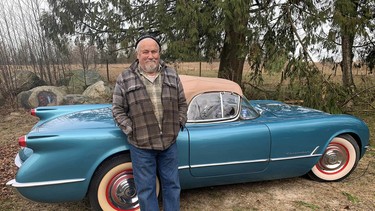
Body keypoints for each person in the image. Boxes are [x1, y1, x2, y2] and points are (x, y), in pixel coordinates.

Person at [112, 34, 188, 211]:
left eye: (154, 51)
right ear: (138, 55)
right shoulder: (125, 78)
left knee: (172, 186)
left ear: (159, 53)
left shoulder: (171, 74)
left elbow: (182, 103)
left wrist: (179, 122)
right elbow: (117, 109)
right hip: (141, 145)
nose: (150, 55)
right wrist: (131, 129)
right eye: (145, 52)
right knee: (146, 189)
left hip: (169, 143)